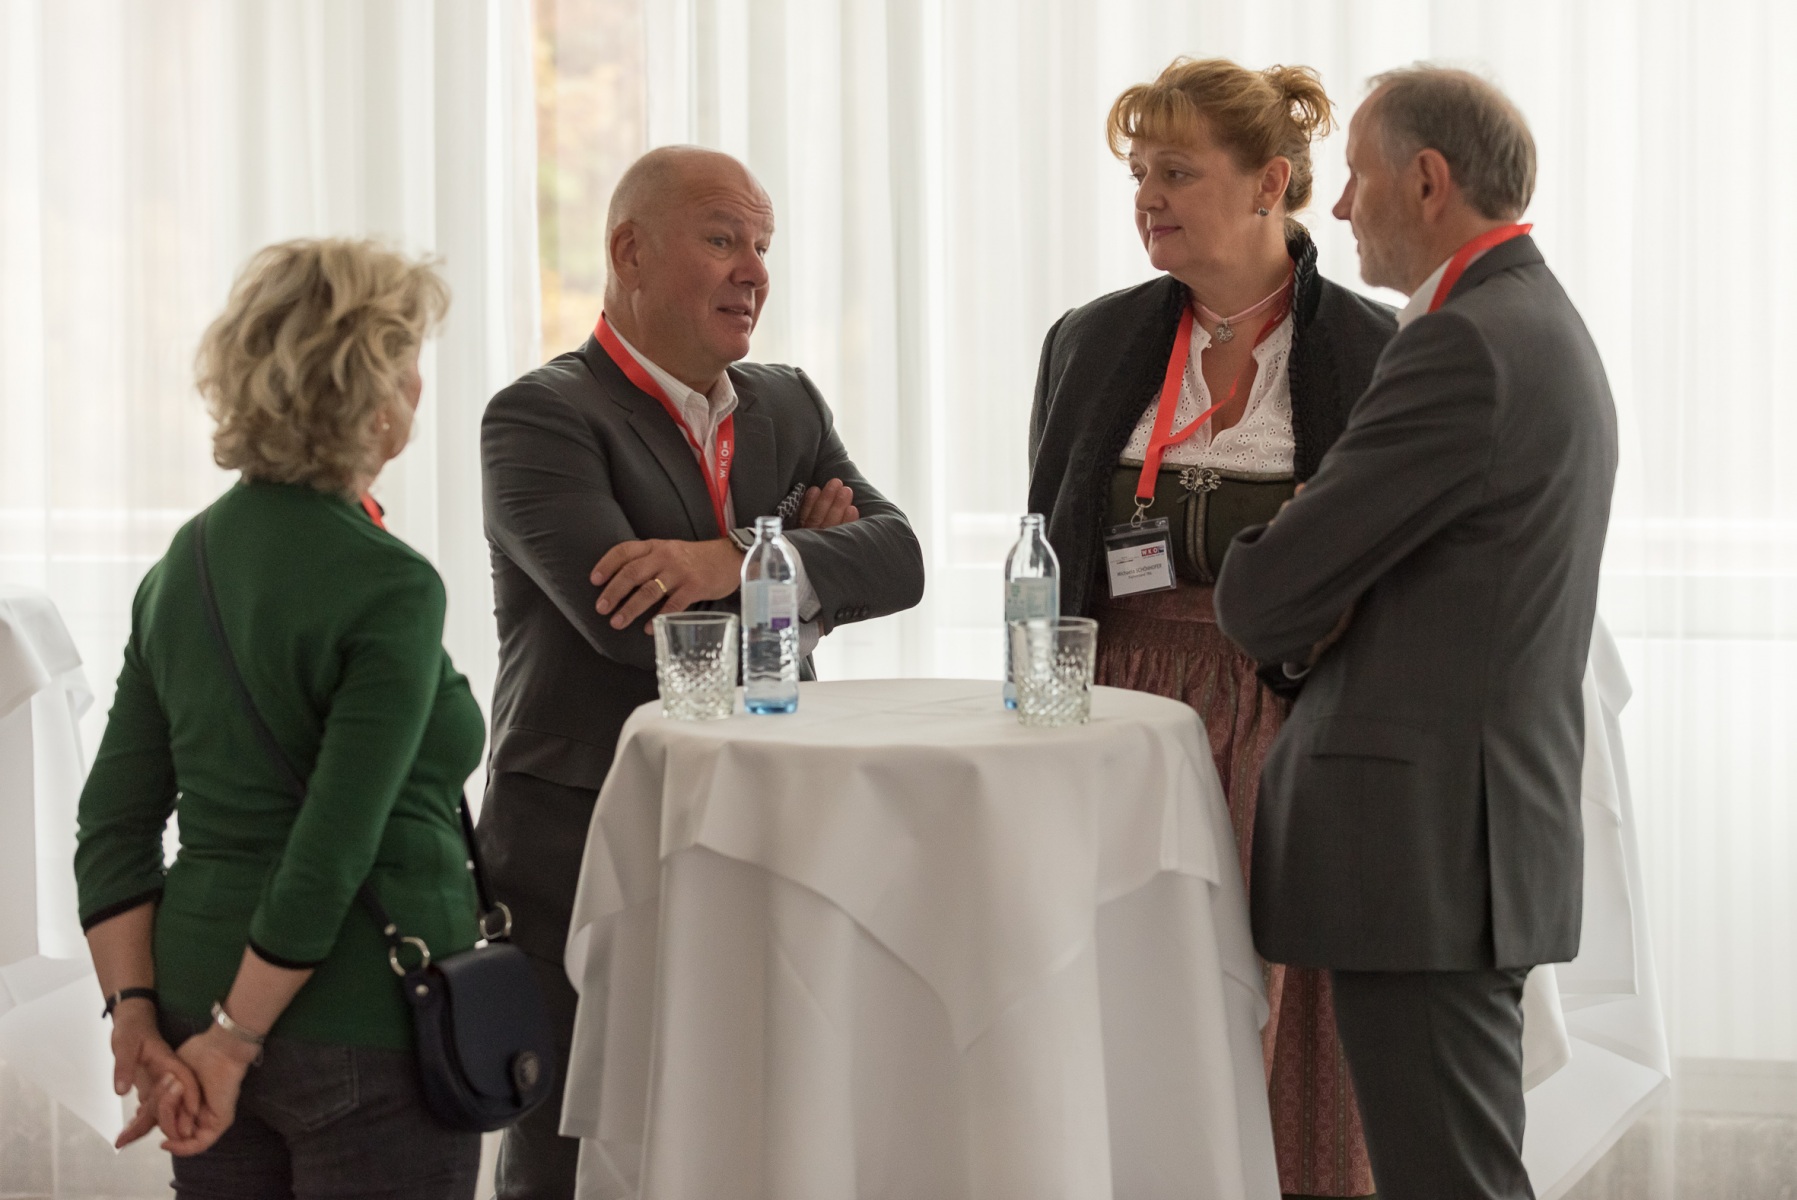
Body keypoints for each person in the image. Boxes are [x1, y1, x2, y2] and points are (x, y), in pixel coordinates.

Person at [478, 144, 926, 1197]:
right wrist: (806, 567)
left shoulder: (788, 402)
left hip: (766, 823)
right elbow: (631, 630)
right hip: (584, 837)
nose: (754, 271)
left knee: (750, 1126)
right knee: (574, 1140)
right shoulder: (542, 416)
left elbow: (902, 561)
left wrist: (731, 560)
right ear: (629, 252)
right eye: (723, 239)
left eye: (763, 245)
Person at [1213, 67, 1618, 1200]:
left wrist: (1297, 558)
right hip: (1464, 846)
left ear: (1429, 181)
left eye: (1357, 176)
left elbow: (1262, 597)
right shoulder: (1531, 321)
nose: (1340, 207)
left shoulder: (1463, 343)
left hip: (1427, 852)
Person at [1027, 57, 1396, 1198]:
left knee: (1271, 1007)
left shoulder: (1371, 348)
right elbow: (1046, 544)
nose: (1148, 196)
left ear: (1269, 183)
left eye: (1177, 172)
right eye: (1139, 174)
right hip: (1118, 714)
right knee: (1123, 999)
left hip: (1285, 715)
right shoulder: (1089, 340)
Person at [74, 239, 486, 1197]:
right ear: (370, 388)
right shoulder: (389, 583)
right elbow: (330, 849)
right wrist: (235, 1039)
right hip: (361, 1018)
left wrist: (138, 1017)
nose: (419, 386)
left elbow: (112, 825)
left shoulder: (183, 567)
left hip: (190, 1006)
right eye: (407, 358)